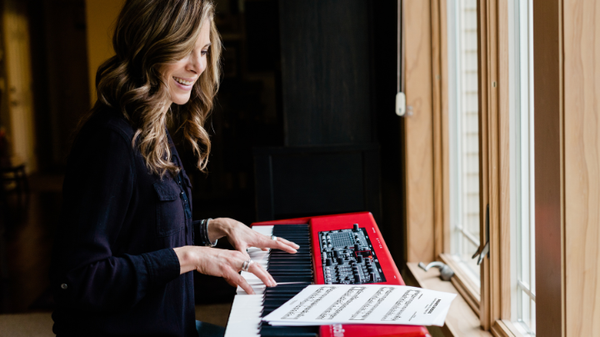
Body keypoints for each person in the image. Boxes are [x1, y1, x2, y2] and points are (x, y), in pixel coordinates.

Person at [49, 1, 299, 336]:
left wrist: (213, 228)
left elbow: (142, 235)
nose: (198, 66)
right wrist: (191, 257)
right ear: (149, 45)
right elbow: (78, 280)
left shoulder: (151, 124)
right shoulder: (110, 141)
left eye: (205, 50)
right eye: (184, 49)